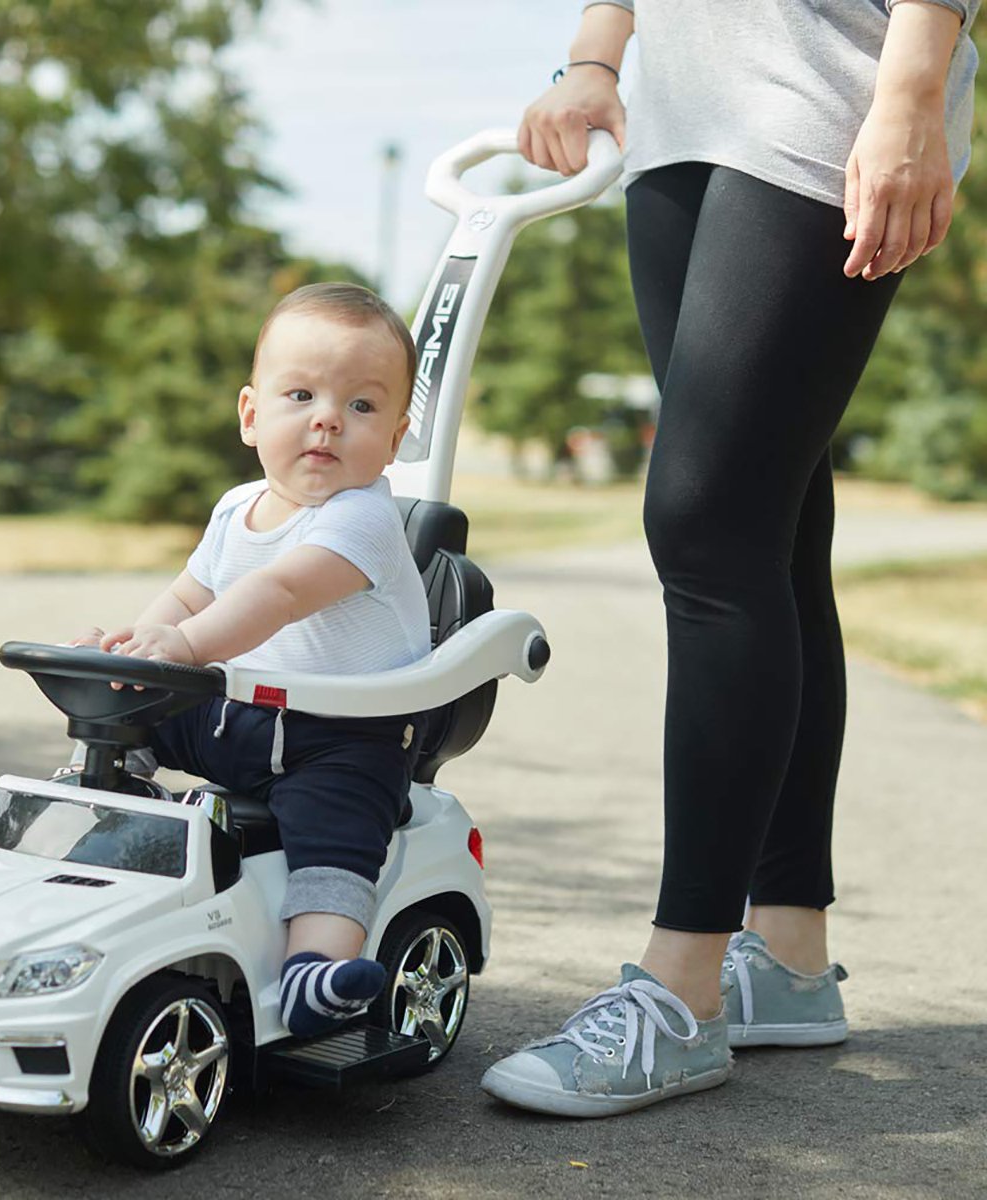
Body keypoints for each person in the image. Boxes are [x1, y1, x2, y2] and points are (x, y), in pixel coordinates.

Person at [481, 0, 979, 1117]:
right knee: (773, 529)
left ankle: (682, 993)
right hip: (682, 111)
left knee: (704, 522)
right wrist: (594, 59)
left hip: (828, 89)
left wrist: (910, 88)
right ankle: (789, 959)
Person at [71, 282, 432, 1038]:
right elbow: (186, 595)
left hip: (339, 734)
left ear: (395, 440)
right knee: (140, 714)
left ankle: (313, 973)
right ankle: (97, 800)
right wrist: (143, 655)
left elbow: (280, 592)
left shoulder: (363, 517)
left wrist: (189, 647)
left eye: (362, 408)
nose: (329, 418)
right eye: (301, 394)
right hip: (242, 710)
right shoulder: (235, 508)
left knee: (335, 837)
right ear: (250, 414)